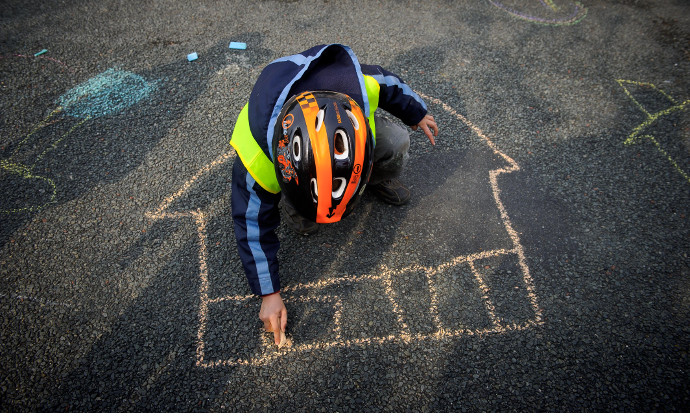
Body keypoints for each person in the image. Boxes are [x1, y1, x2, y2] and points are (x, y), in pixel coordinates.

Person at [229, 44, 438, 346]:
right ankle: (297, 204)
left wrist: (416, 111)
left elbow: (390, 83)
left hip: (339, 115)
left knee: (396, 140)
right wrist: (269, 293)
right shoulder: (256, 155)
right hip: (285, 143)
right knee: (294, 202)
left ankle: (369, 180)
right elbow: (250, 224)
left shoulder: (361, 86)